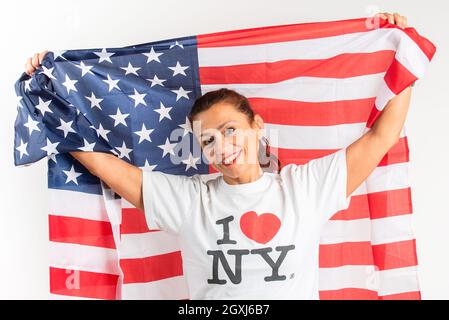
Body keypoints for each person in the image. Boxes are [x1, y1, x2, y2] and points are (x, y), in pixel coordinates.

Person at [25, 13, 412, 299]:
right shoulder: (191, 198)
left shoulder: (305, 188)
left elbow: (382, 136)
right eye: (207, 140)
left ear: (257, 126)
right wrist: (51, 92)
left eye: (230, 130)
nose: (222, 147)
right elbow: (108, 166)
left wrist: (402, 53)